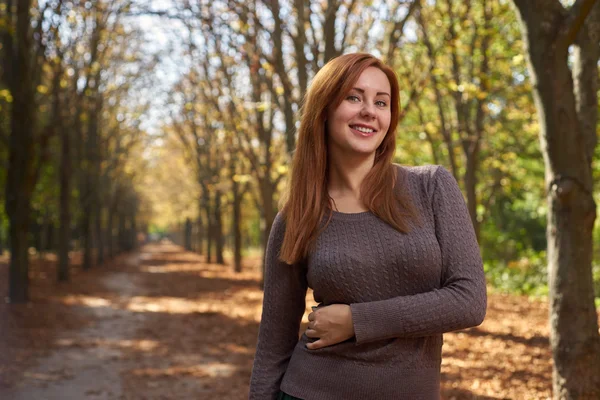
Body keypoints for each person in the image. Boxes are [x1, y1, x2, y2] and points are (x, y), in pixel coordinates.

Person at [248, 53, 487, 400]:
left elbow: (469, 301)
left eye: (381, 102)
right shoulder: (296, 218)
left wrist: (357, 321)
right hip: (310, 391)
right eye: (354, 97)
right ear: (325, 109)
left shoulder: (432, 187)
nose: (369, 111)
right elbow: (273, 344)